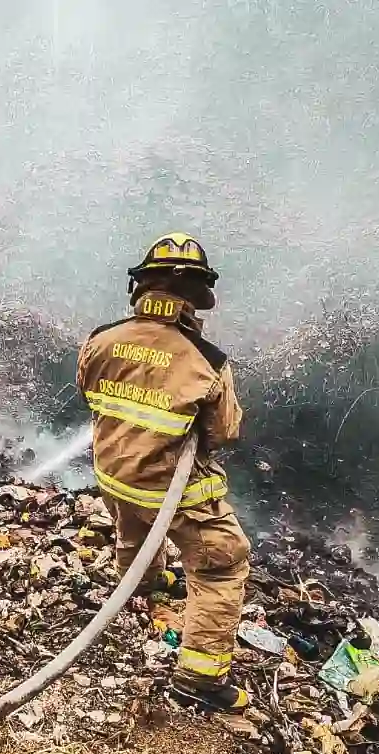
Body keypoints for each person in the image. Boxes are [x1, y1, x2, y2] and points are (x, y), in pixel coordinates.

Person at [76, 233, 252, 712]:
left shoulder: (101, 339)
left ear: (140, 287)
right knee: (223, 564)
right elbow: (224, 432)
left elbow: (89, 392)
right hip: (168, 486)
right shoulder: (207, 361)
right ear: (197, 296)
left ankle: (143, 583)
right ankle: (199, 676)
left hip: (112, 473)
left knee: (132, 525)